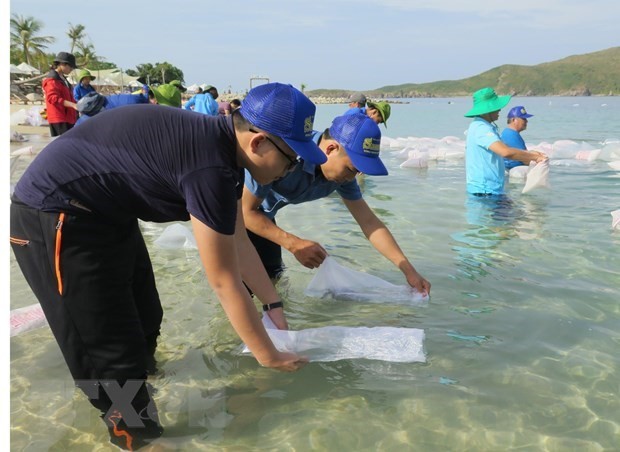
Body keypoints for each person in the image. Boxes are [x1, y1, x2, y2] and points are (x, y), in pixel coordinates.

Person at [10, 82, 326, 450]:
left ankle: (142, 393)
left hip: (106, 214)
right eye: (291, 161)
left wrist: (272, 305)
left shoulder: (225, 159)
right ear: (257, 143)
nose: (290, 172)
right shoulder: (210, 166)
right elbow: (224, 280)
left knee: (146, 317)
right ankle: (136, 438)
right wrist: (267, 355)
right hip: (52, 215)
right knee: (107, 345)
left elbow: (237, 239)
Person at [242, 113, 431, 295]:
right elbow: (243, 211)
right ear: (331, 149)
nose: (352, 177)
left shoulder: (342, 178)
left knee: (273, 278)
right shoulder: (287, 152)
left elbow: (369, 222)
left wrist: (408, 270)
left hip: (263, 215)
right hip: (229, 209)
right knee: (241, 285)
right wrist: (294, 244)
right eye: (351, 169)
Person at [464, 88, 547, 196]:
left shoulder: (482, 126)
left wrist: (531, 153)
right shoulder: (481, 128)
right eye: (496, 107)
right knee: (523, 212)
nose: (499, 110)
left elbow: (505, 148)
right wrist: (534, 157)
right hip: (484, 192)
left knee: (518, 212)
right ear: (488, 109)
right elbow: (505, 152)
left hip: (490, 190)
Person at [42, 52, 78, 136]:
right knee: (64, 145)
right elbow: (52, 98)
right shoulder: (52, 80)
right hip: (59, 118)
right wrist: (72, 105)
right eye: (71, 66)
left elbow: (68, 96)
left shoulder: (63, 79)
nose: (72, 69)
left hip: (68, 117)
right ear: (62, 64)